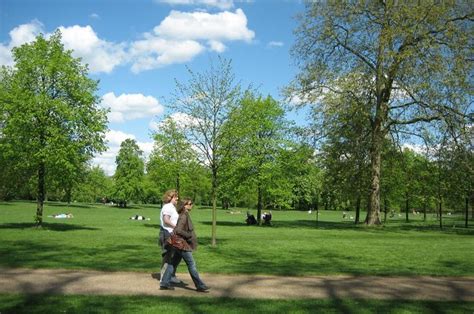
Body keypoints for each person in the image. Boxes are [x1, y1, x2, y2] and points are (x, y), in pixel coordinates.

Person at [161, 198, 209, 292]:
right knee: (191, 264)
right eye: (190, 204)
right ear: (185, 206)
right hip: (182, 244)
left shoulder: (184, 215)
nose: (192, 205)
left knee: (173, 263)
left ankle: (164, 283)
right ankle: (200, 285)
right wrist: (189, 235)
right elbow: (178, 230)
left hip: (178, 244)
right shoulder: (184, 216)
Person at [157, 189, 182, 285]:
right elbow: (166, 220)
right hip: (167, 233)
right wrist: (176, 227)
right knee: (167, 256)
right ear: (170, 198)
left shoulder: (172, 207)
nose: (177, 198)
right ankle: (164, 278)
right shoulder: (167, 207)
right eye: (175, 197)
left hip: (172, 233)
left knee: (176, 255)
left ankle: (171, 275)